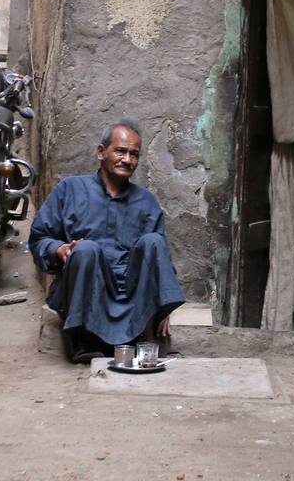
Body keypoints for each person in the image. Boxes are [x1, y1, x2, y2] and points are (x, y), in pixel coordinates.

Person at [29, 119, 187, 363]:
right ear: (101, 152)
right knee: (87, 249)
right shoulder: (70, 189)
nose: (127, 159)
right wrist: (59, 249)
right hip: (85, 291)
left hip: (131, 294)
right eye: (120, 151)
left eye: (134, 154)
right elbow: (39, 239)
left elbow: (159, 256)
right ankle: (84, 341)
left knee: (154, 241)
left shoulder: (146, 202)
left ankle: (143, 337)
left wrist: (162, 303)